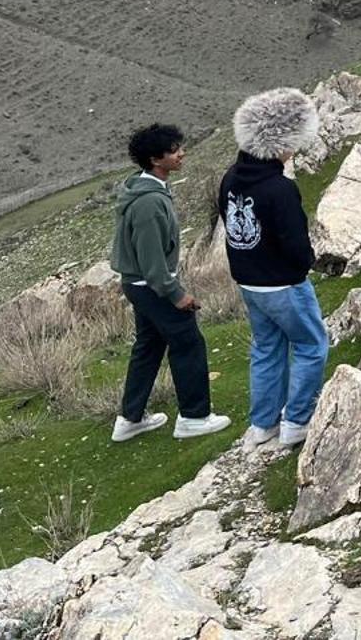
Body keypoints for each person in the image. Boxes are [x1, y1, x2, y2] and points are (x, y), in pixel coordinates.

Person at [219, 87, 329, 449]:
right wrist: (306, 265)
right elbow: (296, 243)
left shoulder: (231, 178)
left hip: (250, 282)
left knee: (267, 350)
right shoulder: (281, 188)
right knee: (311, 345)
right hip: (284, 284)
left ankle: (263, 423)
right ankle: (297, 421)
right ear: (283, 142)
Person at [110, 123, 231, 442]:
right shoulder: (149, 202)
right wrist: (176, 295)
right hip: (152, 287)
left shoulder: (144, 189)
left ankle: (130, 418)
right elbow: (152, 261)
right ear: (155, 159)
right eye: (174, 150)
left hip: (138, 285)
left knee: (148, 347)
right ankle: (194, 417)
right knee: (189, 343)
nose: (182, 154)